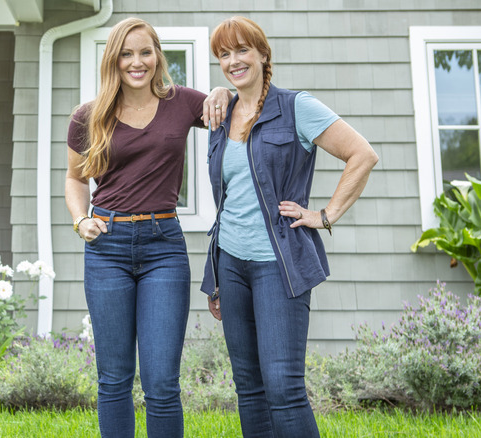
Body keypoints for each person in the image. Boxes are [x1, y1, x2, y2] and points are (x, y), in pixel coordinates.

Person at [201, 16, 379, 438]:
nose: (233, 61)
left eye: (242, 50)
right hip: (230, 263)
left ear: (264, 54)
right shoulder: (221, 112)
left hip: (277, 264)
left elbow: (362, 154)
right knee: (249, 387)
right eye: (224, 55)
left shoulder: (296, 107)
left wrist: (325, 215)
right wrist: (216, 91)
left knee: (283, 386)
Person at [64, 17, 230, 438]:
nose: (136, 62)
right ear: (113, 60)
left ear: (157, 56)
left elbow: (224, 106)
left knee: (161, 383)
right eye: (126, 53)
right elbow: (74, 178)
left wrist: (221, 90)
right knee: (114, 378)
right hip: (107, 247)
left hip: (164, 249)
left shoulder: (181, 102)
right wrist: (80, 219)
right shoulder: (88, 116)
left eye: (145, 52)